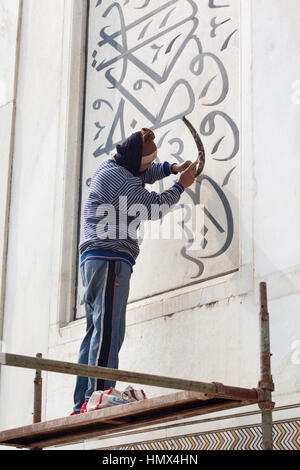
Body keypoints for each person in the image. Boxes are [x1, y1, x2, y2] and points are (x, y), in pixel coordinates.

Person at [71, 128, 198, 414]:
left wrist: (170, 168)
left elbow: (144, 172)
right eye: (145, 162)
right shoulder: (122, 180)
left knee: (95, 331)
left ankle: (82, 402)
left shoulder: (113, 164)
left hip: (94, 260)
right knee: (109, 332)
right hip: (111, 258)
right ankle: (99, 398)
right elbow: (154, 207)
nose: (146, 168)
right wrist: (181, 185)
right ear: (134, 161)